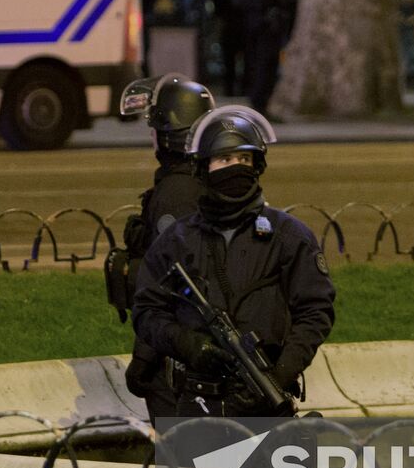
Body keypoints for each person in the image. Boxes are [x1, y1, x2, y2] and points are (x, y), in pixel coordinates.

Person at [132, 105, 335, 418]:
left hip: (266, 401)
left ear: (257, 165)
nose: (235, 168)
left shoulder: (288, 236)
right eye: (224, 160)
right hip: (197, 404)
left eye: (244, 159)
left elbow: (315, 311)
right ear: (203, 168)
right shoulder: (176, 240)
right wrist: (188, 344)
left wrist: (281, 372)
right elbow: (147, 312)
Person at [107, 74, 216, 425]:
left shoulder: (177, 193)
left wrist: (144, 359)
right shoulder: (203, 181)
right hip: (195, 350)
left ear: (169, 134)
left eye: (154, 127)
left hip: (178, 360)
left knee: (183, 466)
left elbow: (172, 287)